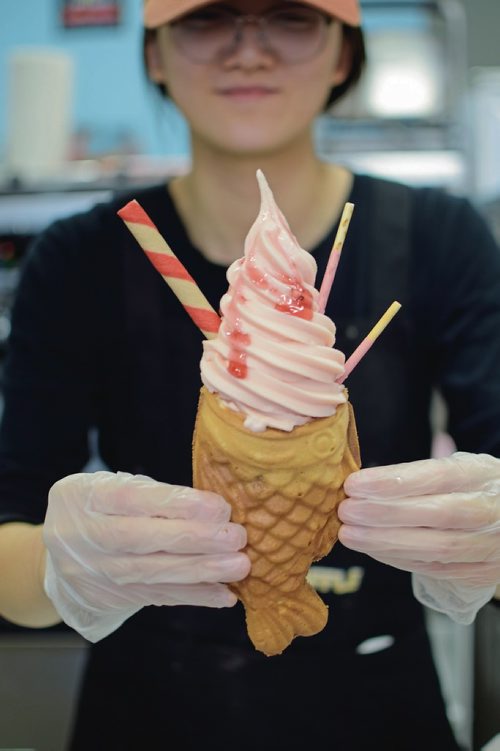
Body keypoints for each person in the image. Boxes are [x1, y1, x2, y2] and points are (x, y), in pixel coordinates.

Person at [0, 0, 499, 748]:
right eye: (209, 19)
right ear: (156, 54)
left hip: (376, 705)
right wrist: (61, 567)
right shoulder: (81, 260)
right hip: (148, 712)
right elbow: (11, 527)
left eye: (291, 18)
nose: (248, 50)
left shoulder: (440, 237)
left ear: (342, 53)